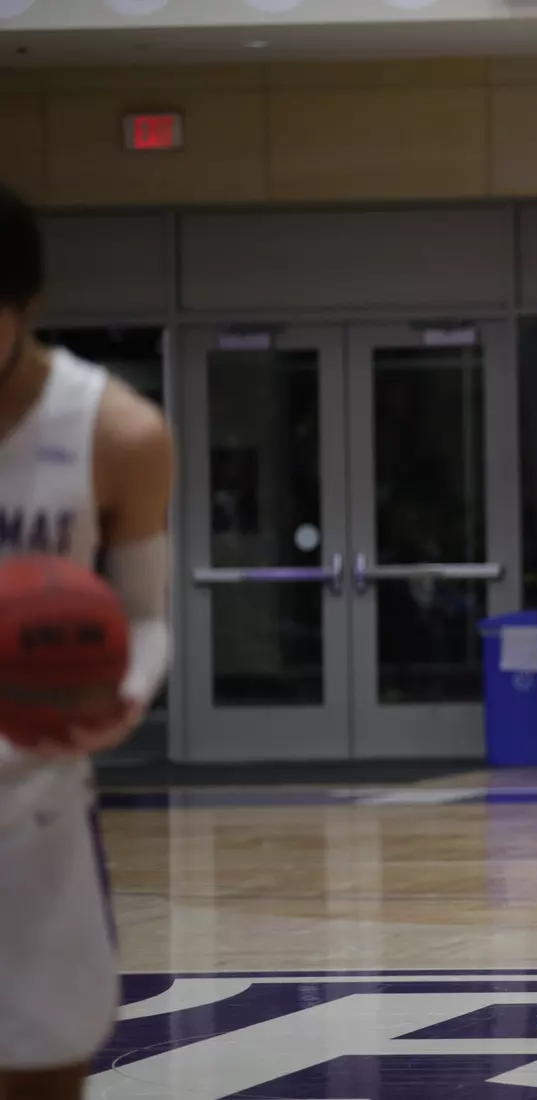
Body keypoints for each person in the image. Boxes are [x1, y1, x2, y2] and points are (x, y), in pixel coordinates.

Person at [0, 182, 175, 1100]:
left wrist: (123, 695)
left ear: (24, 305)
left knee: (42, 1077)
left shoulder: (118, 432)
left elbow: (145, 618)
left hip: (31, 800)